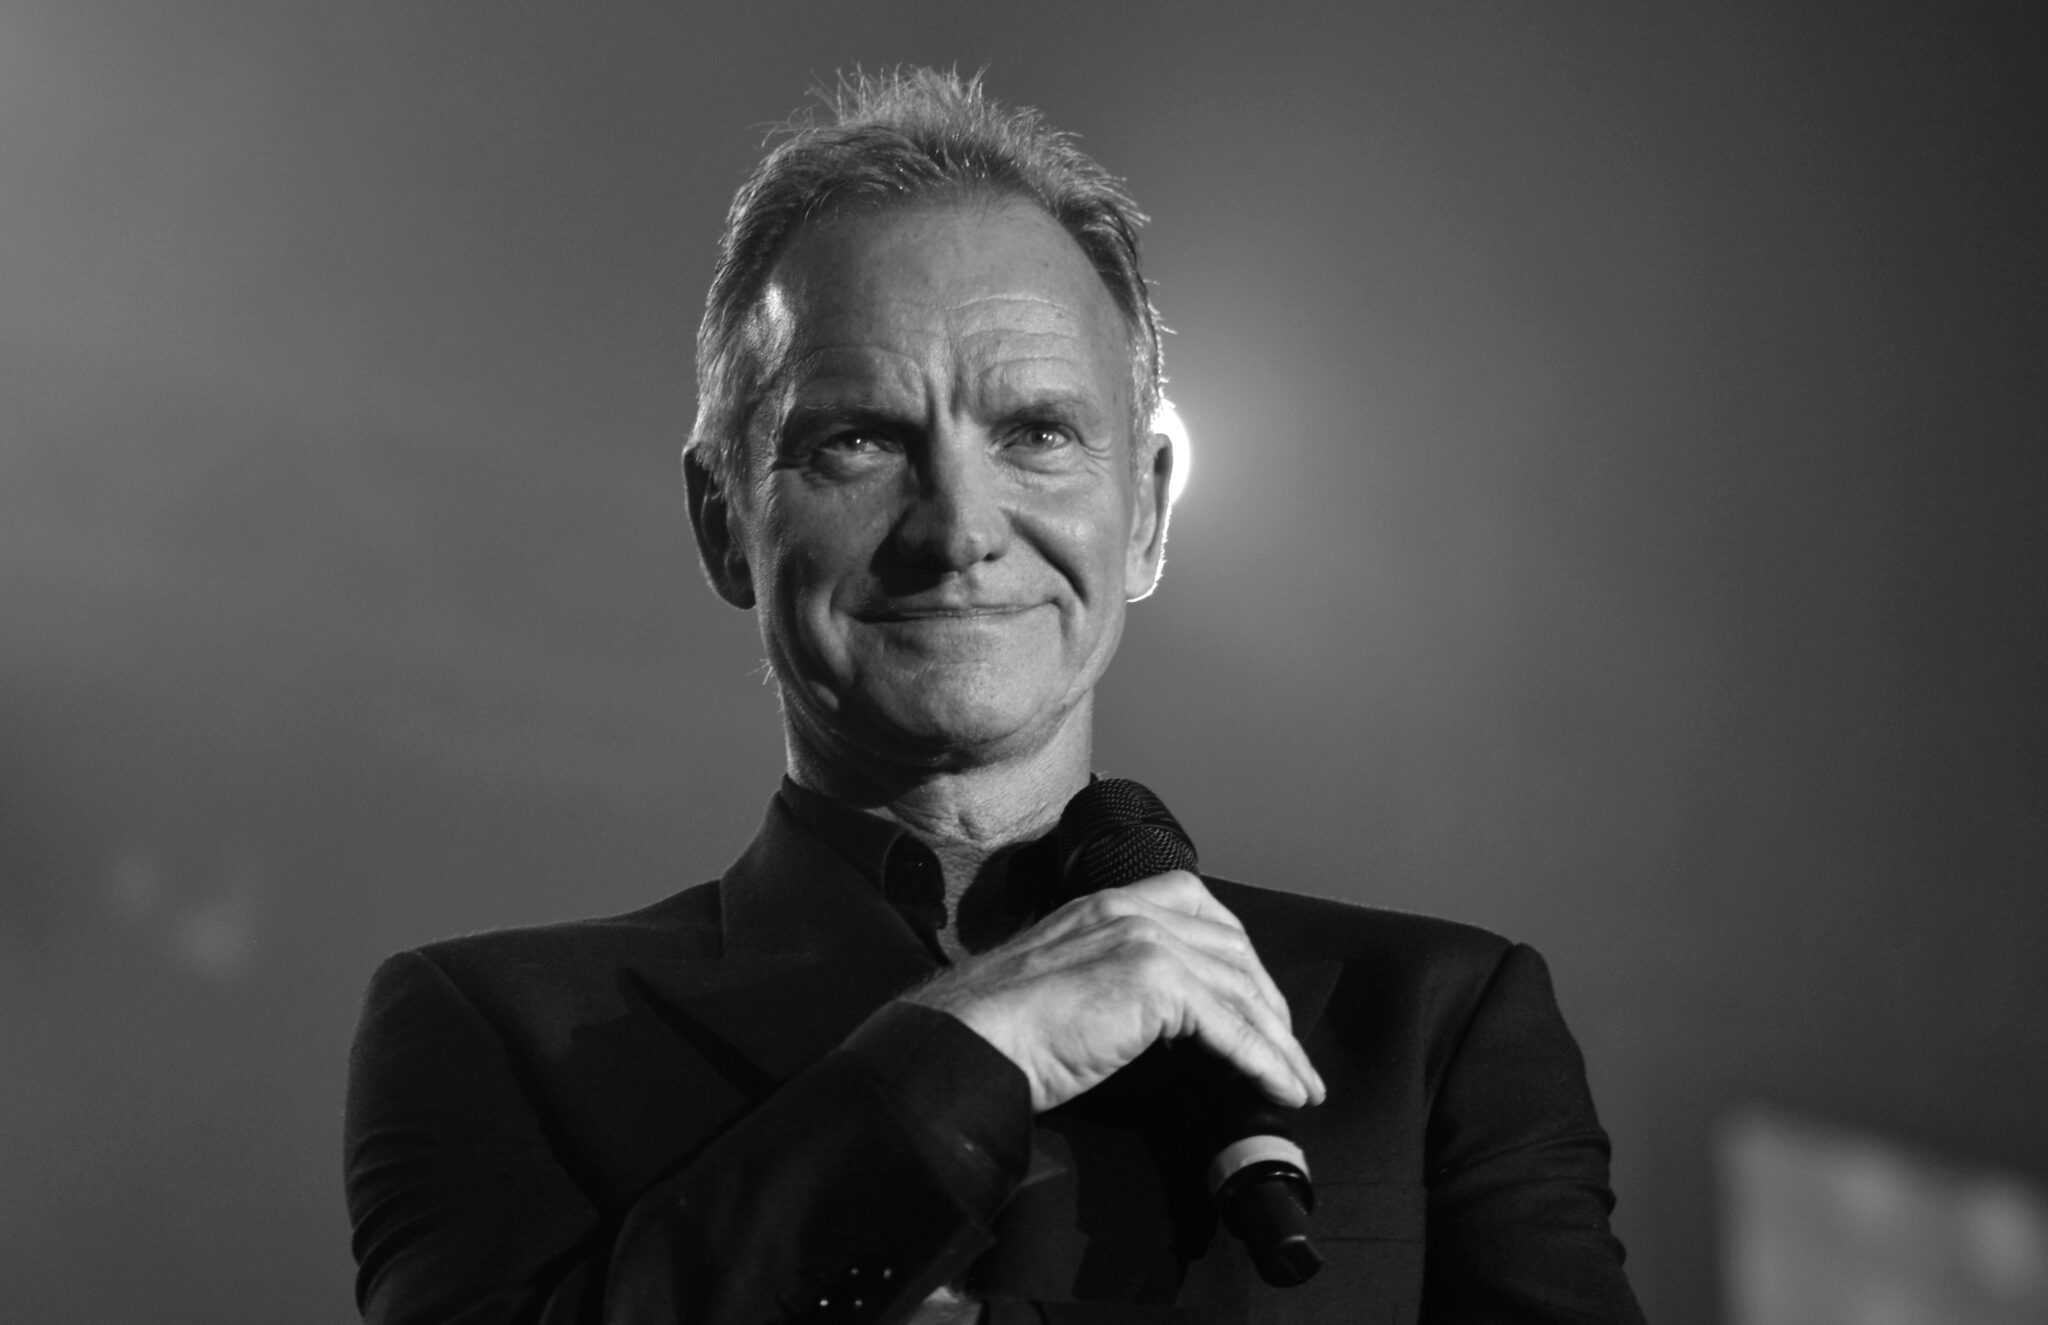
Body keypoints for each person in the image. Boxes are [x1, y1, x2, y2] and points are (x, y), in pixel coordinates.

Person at [344, 68, 1646, 1325]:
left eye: (1037, 432)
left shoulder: (1429, 1025)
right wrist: (967, 1049)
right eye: (860, 438)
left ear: (1147, 513)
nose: (959, 529)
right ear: (723, 521)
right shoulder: (493, 1034)